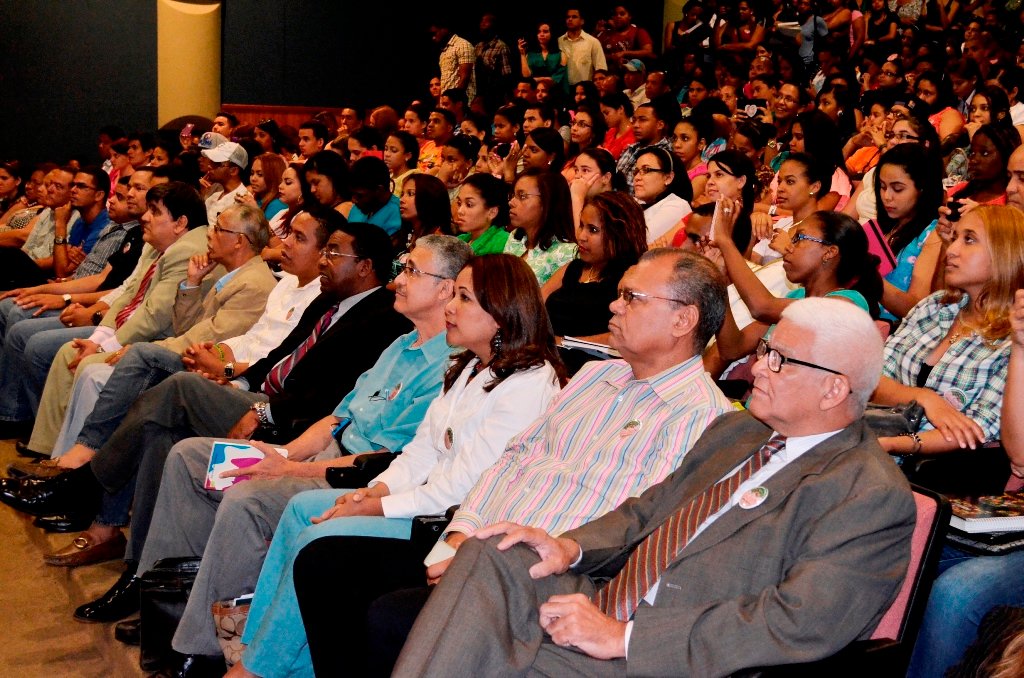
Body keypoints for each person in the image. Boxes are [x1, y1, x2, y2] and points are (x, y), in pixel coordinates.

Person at [390, 297, 915, 677]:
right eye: (766, 350)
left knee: (509, 661)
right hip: (609, 597)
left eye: (779, 359)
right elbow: (649, 510)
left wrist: (624, 637)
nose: (757, 365)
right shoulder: (737, 432)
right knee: (493, 550)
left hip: (676, 651)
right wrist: (571, 546)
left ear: (834, 389)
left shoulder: (868, 493)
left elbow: (799, 623)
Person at [297, 249, 737, 676]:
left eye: (631, 298)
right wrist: (459, 534)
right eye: (620, 293)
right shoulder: (595, 375)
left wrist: (485, 560)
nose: (613, 305)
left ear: (684, 319)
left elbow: (626, 526)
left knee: (390, 615)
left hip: (553, 571)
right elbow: (515, 459)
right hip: (484, 542)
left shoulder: (700, 416)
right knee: (326, 563)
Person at [111, 237, 473, 676]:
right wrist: (278, 452)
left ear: (445, 289)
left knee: (248, 499)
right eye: (403, 267)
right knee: (192, 457)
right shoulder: (399, 346)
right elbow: (335, 419)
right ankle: (161, 599)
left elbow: (392, 460)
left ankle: (199, 648)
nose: (397, 280)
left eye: (412, 271)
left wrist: (289, 468)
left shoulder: (450, 365)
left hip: (352, 475)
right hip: (322, 452)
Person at [218, 253, 564, 678]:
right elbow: (420, 452)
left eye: (464, 298)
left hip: (453, 523)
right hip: (424, 501)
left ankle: (262, 668)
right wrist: (376, 491)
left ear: (502, 312)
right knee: (300, 509)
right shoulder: (471, 365)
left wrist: (374, 507)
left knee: (321, 535)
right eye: (454, 295)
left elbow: (464, 487)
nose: (451, 309)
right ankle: (261, 650)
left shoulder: (528, 383)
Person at [871, 205, 1023, 455]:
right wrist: (923, 398)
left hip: (936, 475)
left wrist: (894, 445)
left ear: (1004, 254)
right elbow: (872, 378)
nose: (950, 250)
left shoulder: (1014, 341)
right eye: (954, 239)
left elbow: (977, 428)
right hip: (875, 442)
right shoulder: (935, 306)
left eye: (969, 240)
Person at [713, 208, 883, 370]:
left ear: (830, 252)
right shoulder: (795, 296)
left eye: (799, 238)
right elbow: (732, 349)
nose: (788, 247)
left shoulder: (848, 304)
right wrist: (717, 280)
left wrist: (726, 241)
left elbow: (761, 306)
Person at [543, 190, 647, 368]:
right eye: (581, 226)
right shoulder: (573, 268)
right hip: (545, 357)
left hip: (592, 367)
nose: (581, 236)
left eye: (593, 230)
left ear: (619, 234)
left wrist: (563, 343)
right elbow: (532, 306)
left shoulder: (632, 278)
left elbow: (629, 336)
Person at [503, 168, 576, 284]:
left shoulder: (566, 253)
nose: (511, 202)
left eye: (522, 196)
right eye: (512, 195)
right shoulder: (515, 238)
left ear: (548, 201)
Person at [631, 147, 692, 244]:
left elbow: (637, 242)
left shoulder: (677, 206)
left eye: (646, 170)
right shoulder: (636, 202)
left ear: (668, 178)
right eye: (636, 171)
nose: (637, 178)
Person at [395, 174, 452, 252]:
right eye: (402, 194)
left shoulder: (439, 242)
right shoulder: (408, 232)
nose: (401, 199)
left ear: (429, 198)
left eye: (410, 194)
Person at [454, 173, 509, 255]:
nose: (460, 211)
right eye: (459, 203)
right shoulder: (459, 241)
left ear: (492, 212)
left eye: (469, 204)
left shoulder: (505, 244)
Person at [559, 7, 607, 87]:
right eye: (568, 17)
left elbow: (600, 69)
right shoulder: (559, 42)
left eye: (574, 17)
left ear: (582, 21)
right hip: (563, 89)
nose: (570, 19)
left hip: (585, 90)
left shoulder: (593, 42)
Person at [430, 21, 476, 104]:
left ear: (444, 29)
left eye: (435, 33)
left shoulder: (462, 45)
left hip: (461, 102)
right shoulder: (444, 51)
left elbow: (465, 77)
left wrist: (454, 100)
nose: (433, 38)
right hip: (448, 103)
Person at [519, 22, 567, 94]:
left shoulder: (560, 55)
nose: (541, 34)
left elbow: (556, 79)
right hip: (534, 92)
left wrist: (536, 79)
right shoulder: (530, 54)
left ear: (552, 33)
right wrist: (522, 53)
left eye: (545, 31)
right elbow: (527, 77)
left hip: (554, 92)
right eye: (539, 32)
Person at [240, 153, 287, 220]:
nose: (253, 178)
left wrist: (255, 210)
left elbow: (264, 229)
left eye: (260, 174)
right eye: (252, 173)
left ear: (273, 177)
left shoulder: (278, 204)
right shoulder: (255, 198)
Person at [384, 131, 419, 199]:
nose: (387, 154)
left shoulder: (413, 178)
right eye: (386, 149)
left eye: (394, 150)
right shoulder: (387, 175)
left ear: (408, 156)